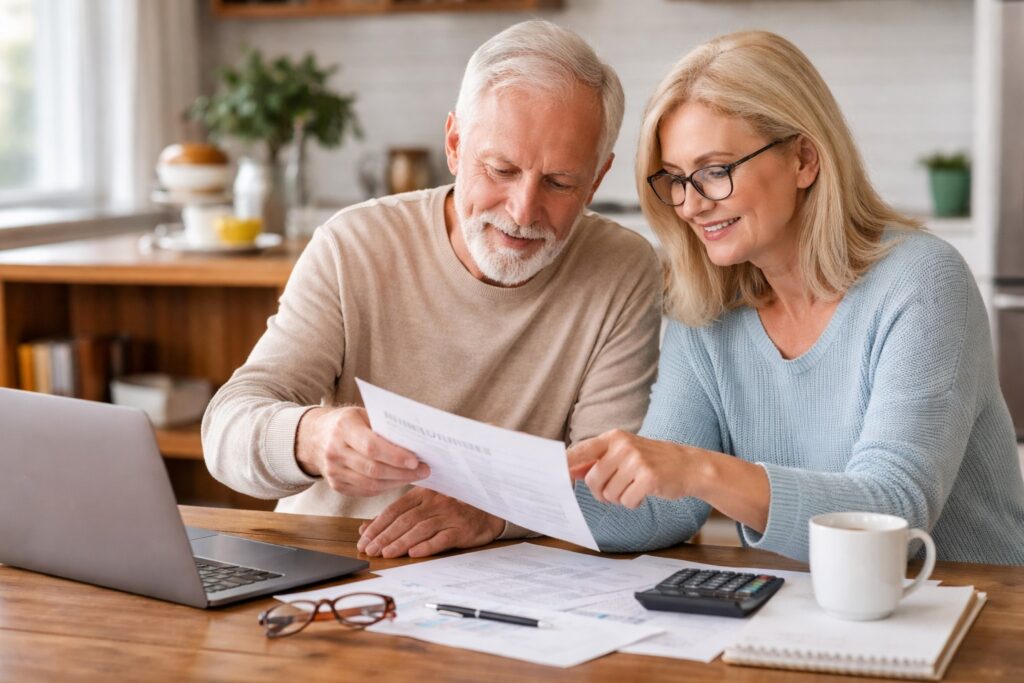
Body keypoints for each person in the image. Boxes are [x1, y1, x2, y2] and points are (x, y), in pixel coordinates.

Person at [202, 21, 662, 560]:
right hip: (333, 566)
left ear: (597, 180)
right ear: (454, 144)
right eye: (501, 169)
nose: (522, 210)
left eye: (560, 183)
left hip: (508, 581)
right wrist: (310, 437)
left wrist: (496, 509)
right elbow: (226, 430)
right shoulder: (354, 243)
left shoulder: (623, 270)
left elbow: (608, 478)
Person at [568, 30, 1024, 565]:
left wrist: (696, 467)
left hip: (974, 614)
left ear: (804, 159)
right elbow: (658, 510)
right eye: (675, 179)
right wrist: (497, 503)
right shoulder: (706, 310)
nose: (690, 205)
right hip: (799, 611)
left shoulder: (922, 282)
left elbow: (893, 516)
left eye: (714, 171)